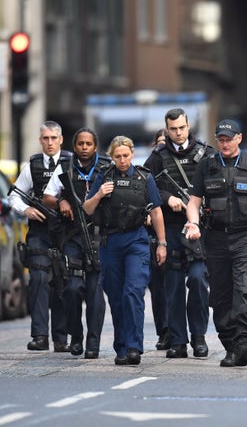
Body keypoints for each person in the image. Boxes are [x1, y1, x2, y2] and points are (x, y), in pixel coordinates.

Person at [183, 119, 247, 368]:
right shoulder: (207, 165)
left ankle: (243, 342)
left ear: (239, 138)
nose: (225, 143)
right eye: (221, 139)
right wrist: (194, 224)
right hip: (216, 238)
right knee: (220, 296)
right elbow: (194, 202)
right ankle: (231, 345)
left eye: (229, 139)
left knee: (245, 288)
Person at [83, 135, 167, 366]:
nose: (122, 160)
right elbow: (88, 209)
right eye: (117, 156)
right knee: (117, 296)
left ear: (132, 154)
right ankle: (121, 347)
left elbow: (157, 212)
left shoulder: (143, 177)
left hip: (136, 240)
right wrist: (100, 194)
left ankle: (133, 347)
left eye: (126, 155)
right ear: (111, 157)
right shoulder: (104, 176)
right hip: (111, 242)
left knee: (133, 291)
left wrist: (162, 243)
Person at [144, 109, 213, 359]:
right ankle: (178, 340)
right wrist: (167, 197)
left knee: (197, 281)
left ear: (188, 125)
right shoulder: (157, 157)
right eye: (173, 129)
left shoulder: (206, 153)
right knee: (172, 287)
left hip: (198, 229)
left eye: (181, 128)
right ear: (166, 129)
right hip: (171, 228)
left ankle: (199, 337)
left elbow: (217, 187)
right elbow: (146, 188)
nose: (178, 132)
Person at [43, 128, 111, 359]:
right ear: (75, 146)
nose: (84, 147)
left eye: (88, 144)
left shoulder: (106, 167)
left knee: (94, 292)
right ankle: (76, 337)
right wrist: (61, 200)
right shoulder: (64, 168)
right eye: (80, 143)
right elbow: (47, 197)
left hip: (98, 237)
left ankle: (93, 344)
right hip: (72, 237)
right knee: (71, 289)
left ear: (95, 146)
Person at [8, 120, 70, 352]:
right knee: (39, 279)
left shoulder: (70, 162)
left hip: (65, 230)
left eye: (54, 138)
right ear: (40, 140)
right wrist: (26, 210)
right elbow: (14, 196)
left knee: (64, 281)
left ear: (61, 140)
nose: (50, 143)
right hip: (40, 230)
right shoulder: (32, 166)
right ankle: (40, 335)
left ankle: (61, 337)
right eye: (46, 138)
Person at [147, 129, 171, 351]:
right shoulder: (150, 167)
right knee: (159, 287)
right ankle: (164, 331)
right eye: (159, 143)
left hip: (181, 226)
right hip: (155, 233)